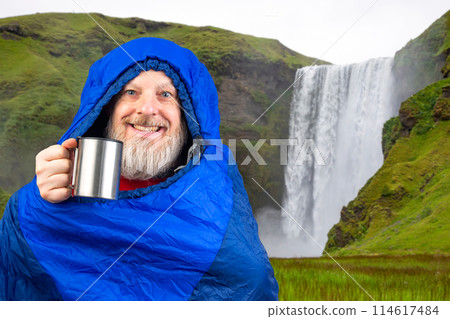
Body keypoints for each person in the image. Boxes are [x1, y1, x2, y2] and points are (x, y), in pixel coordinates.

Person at [0, 37, 278, 300]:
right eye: (131, 92)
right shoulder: (42, 199)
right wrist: (38, 204)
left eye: (165, 94)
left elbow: (249, 280)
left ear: (188, 116)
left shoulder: (218, 185)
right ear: (107, 107)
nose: (147, 108)